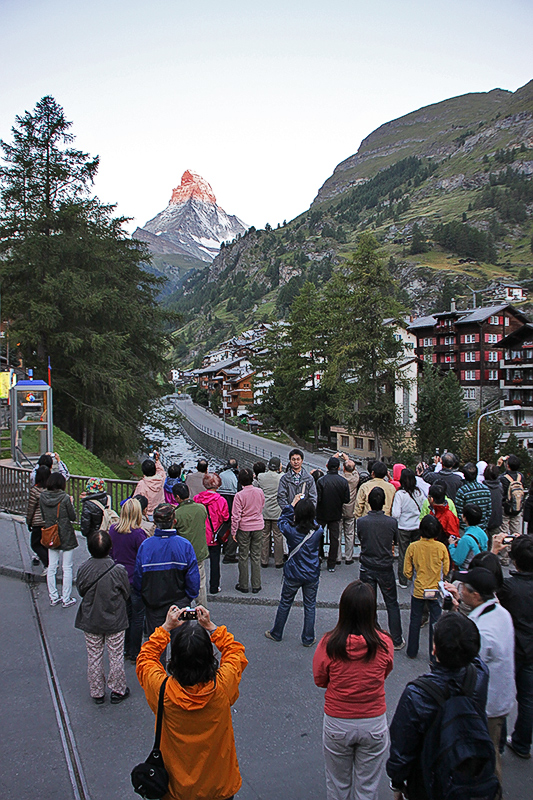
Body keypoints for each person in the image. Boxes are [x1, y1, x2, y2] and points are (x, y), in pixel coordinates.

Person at [136, 604, 248, 800]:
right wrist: (212, 627)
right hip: (218, 786)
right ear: (209, 657)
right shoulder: (222, 687)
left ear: (175, 660)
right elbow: (235, 652)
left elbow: (146, 658)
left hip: (176, 789)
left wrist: (165, 628)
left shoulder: (162, 690)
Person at [387, 613, 490, 800]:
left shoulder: (417, 694)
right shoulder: (480, 676)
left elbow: (402, 747)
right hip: (468, 769)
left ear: (434, 649)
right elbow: (468, 647)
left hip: (429, 778)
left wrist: (397, 782)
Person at [313, 581, 394, 800]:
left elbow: (320, 679)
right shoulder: (384, 643)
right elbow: (385, 671)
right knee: (367, 788)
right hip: (373, 720)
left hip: (338, 720)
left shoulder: (329, 643)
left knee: (338, 785)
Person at [444, 567, 515, 782]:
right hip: (500, 698)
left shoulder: (482, 631)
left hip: (486, 705)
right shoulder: (500, 613)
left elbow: (463, 662)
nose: (461, 589)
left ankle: (489, 791)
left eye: (464, 588)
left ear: (475, 595)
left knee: (486, 755)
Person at [133, 503, 200, 652]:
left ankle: (157, 674)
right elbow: (193, 578)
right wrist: (189, 597)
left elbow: (138, 577)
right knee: (182, 645)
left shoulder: (146, 546)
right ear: (174, 521)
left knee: (156, 646)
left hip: (153, 602)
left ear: (155, 522)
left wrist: (144, 596)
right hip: (180, 601)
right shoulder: (184, 545)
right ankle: (180, 674)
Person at [75, 530, 131, 704]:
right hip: (114, 617)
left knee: (94, 655)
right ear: (110, 548)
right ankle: (118, 689)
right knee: (115, 654)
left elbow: (81, 590)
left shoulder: (84, 568)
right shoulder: (118, 570)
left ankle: (97, 690)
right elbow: (126, 593)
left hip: (91, 617)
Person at [494, 534, 533, 759]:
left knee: (503, 694)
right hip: (530, 647)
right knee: (527, 698)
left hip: (511, 647)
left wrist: (494, 552)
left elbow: (488, 585)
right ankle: (522, 742)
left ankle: (500, 740)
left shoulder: (509, 587)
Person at [265, 496, 322, 646]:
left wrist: (292, 505)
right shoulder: (318, 531)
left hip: (294, 572)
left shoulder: (291, 531)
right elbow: (313, 523)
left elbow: (282, 520)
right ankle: (308, 638)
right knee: (310, 606)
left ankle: (277, 632)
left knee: (285, 603)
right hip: (311, 573)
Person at [357, 487, 404, 650]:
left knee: (369, 602)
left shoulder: (362, 522)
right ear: (384, 502)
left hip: (367, 565)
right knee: (391, 603)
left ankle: (371, 634)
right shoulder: (391, 523)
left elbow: (360, 538)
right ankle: (397, 638)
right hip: (385, 566)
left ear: (369, 503)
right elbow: (395, 541)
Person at [404, 514, 450, 660]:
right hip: (434, 589)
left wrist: (412, 577)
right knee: (436, 621)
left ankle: (412, 650)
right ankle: (433, 653)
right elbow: (447, 569)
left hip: (418, 588)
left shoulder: (413, 547)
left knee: (415, 619)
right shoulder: (441, 547)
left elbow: (407, 571)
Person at [108, 498, 147, 662]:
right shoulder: (139, 534)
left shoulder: (112, 530)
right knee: (137, 616)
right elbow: (144, 557)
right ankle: (134, 651)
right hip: (134, 579)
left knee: (123, 614)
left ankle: (123, 648)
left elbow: (110, 553)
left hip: (118, 577)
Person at [39, 472, 78, 607]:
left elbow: (44, 516)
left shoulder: (42, 497)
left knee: (52, 566)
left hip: (51, 533)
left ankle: (53, 597)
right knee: (67, 567)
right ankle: (66, 598)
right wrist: (71, 503)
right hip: (65, 533)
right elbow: (72, 517)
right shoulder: (65, 498)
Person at [173, 482, 209, 607]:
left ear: (177, 497)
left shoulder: (177, 513)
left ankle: (184, 611)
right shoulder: (201, 508)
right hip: (199, 551)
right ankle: (202, 612)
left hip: (182, 554)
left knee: (182, 583)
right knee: (200, 584)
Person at [194, 473, 230, 595]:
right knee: (215, 561)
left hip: (200, 534)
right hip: (215, 535)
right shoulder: (221, 500)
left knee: (198, 561)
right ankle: (214, 586)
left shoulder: (197, 498)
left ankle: (197, 586)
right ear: (218, 485)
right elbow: (225, 517)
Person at [231, 467, 265, 594]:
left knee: (243, 556)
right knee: (256, 556)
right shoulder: (260, 492)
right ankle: (257, 584)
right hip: (258, 526)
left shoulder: (239, 495)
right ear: (253, 478)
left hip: (244, 527)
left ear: (239, 481)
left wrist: (234, 531)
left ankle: (243, 584)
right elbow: (262, 505)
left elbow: (236, 516)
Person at [316, 457, 350, 573]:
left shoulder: (321, 481)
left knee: (319, 536)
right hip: (336, 513)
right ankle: (331, 563)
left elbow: (318, 499)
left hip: (321, 513)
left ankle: (319, 558)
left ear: (327, 466)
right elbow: (346, 499)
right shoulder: (343, 481)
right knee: (334, 539)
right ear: (339, 468)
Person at [391, 468, 424, 588]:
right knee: (416, 553)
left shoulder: (400, 494)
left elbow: (395, 514)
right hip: (417, 526)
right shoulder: (418, 493)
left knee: (404, 554)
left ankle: (403, 579)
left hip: (404, 527)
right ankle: (417, 577)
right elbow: (424, 506)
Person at [257, 456, 284, 568]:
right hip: (277, 511)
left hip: (264, 510)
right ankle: (279, 561)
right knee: (278, 536)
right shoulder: (281, 477)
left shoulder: (261, 476)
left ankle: (264, 560)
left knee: (264, 536)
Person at [26, 464, 51, 571]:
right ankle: (50, 563)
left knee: (35, 544)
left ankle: (48, 563)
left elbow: (31, 508)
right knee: (45, 543)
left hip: (37, 521)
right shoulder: (51, 490)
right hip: (49, 521)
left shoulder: (35, 491)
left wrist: (29, 521)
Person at [454, 462, 492, 533]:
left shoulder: (462, 491)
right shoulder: (485, 489)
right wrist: (483, 526)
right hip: (481, 529)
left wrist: (464, 527)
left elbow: (459, 513)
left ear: (464, 475)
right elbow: (489, 511)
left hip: (466, 529)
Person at [449, 503, 487, 569]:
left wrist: (451, 545)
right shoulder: (481, 532)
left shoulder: (466, 539)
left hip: (468, 572)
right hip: (480, 568)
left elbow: (457, 560)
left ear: (464, 518)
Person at [338, 456, 359, 565]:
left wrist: (338, 458)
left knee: (338, 535)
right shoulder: (355, 479)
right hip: (351, 510)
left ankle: (338, 557)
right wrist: (348, 460)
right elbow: (355, 471)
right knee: (350, 534)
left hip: (340, 509)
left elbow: (331, 468)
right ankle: (349, 557)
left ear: (343, 468)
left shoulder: (340, 479)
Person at [498, 453, 525, 539]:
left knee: (504, 533)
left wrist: (498, 466)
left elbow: (495, 479)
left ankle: (506, 551)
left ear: (508, 465)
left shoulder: (503, 478)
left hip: (505, 507)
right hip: (517, 506)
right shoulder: (521, 476)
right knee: (516, 532)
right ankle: (517, 549)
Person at [219, 458, 239, 565]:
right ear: (236, 467)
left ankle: (221, 545)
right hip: (233, 504)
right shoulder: (236, 476)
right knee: (233, 528)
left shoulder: (221, 474)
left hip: (221, 504)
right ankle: (229, 552)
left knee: (222, 526)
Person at [133, 453, 166, 517]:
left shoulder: (142, 484)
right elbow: (161, 471)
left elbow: (136, 499)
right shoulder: (161, 479)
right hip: (160, 512)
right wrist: (157, 461)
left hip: (147, 514)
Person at [483, 463, 504, 546]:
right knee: (495, 544)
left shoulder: (483, 487)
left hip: (484, 520)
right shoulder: (500, 486)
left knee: (484, 544)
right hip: (497, 519)